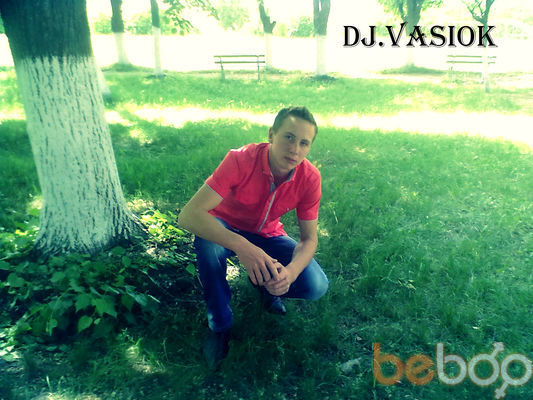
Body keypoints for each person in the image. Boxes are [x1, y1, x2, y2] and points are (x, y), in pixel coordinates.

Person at [177, 106, 329, 369]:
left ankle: (265, 284)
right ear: (271, 134)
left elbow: (309, 240)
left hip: (267, 232)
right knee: (209, 246)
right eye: (289, 137)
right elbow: (188, 216)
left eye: (304, 143)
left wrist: (290, 273)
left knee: (316, 285)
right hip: (224, 225)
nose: (295, 149)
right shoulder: (240, 159)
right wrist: (242, 246)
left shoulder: (310, 178)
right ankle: (219, 325)